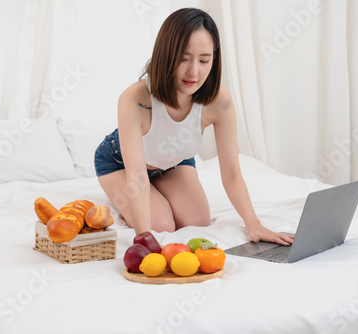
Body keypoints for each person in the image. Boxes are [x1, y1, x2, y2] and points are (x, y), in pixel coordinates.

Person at [94, 8, 293, 246]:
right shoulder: (135, 98)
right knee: (162, 226)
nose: (193, 72)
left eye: (204, 60)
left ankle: (160, 189)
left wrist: (253, 223)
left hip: (173, 162)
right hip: (120, 164)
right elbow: (137, 176)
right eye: (183, 58)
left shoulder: (220, 101)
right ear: (165, 54)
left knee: (197, 221)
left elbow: (231, 173)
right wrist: (143, 239)